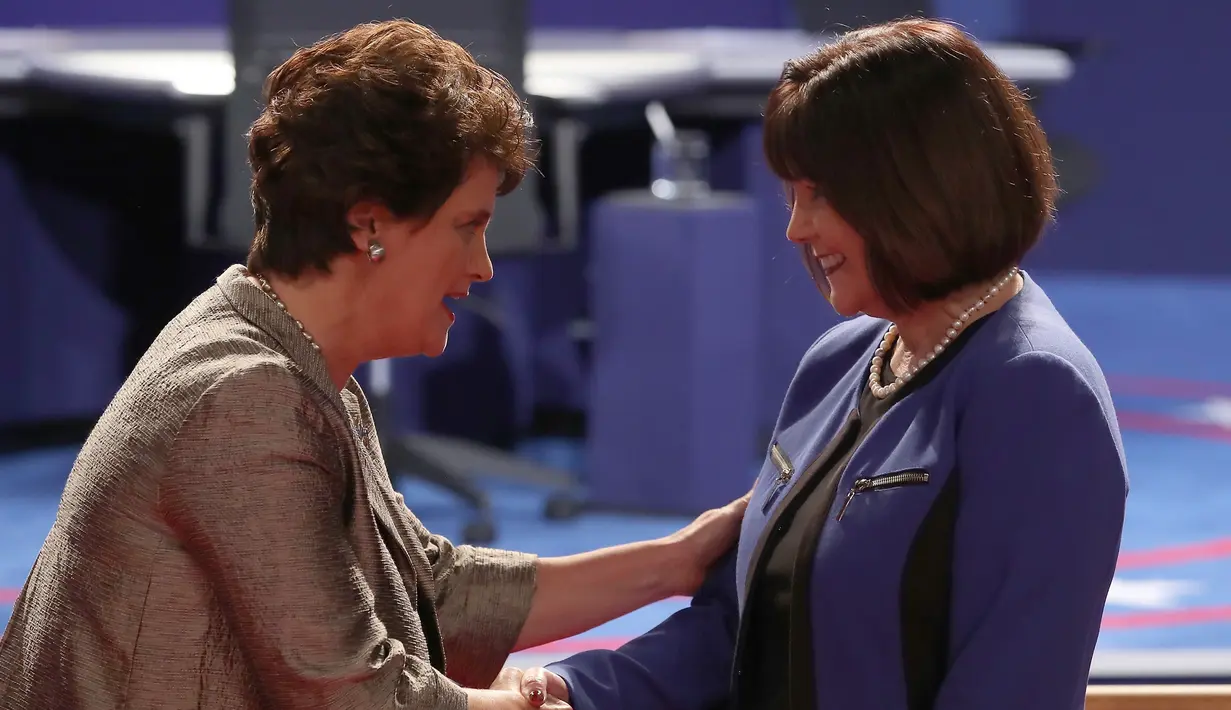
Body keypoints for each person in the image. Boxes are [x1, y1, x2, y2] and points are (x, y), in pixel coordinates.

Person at [0, 20, 750, 710]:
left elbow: (432, 591)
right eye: (467, 227)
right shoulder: (245, 398)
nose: (483, 266)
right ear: (369, 224)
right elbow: (352, 694)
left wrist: (676, 563)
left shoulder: (279, 351)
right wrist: (521, 701)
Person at [510, 18, 1129, 710]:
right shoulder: (837, 361)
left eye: (821, 195)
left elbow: (1016, 685)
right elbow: (741, 629)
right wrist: (572, 688)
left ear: (917, 188)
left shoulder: (1034, 390)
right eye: (793, 194)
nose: (796, 227)